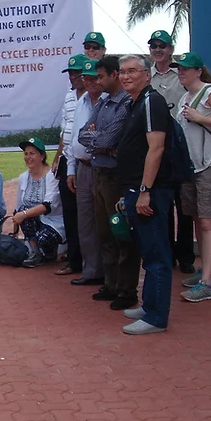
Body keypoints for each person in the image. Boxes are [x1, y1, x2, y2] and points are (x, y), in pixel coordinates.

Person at [115, 54, 173, 335]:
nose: (125, 76)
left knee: (156, 253)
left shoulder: (152, 102)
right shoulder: (135, 103)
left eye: (132, 71)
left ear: (147, 75)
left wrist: (144, 191)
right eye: (122, 72)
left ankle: (156, 317)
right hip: (134, 189)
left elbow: (156, 149)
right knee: (146, 251)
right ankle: (149, 304)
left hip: (152, 191)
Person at [173, 52, 211, 302]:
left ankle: (207, 282)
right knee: (198, 218)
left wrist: (200, 117)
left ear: (198, 71)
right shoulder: (184, 98)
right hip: (191, 166)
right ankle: (208, 271)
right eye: (179, 69)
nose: (181, 72)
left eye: (186, 69)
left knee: (208, 221)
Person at [78, 55, 138, 311]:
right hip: (99, 175)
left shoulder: (125, 103)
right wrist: (100, 141)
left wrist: (100, 141)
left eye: (101, 76)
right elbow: (83, 135)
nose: (98, 81)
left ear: (114, 75)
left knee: (121, 233)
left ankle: (127, 289)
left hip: (116, 178)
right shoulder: (102, 103)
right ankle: (111, 283)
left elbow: (107, 141)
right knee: (104, 233)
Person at [148, 30, 195, 274]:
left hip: (182, 150)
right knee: (162, 207)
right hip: (158, 150)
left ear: (171, 49)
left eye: (162, 46)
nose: (158, 50)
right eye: (153, 46)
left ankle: (186, 256)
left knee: (185, 207)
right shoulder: (148, 77)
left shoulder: (182, 76)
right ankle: (167, 253)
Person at [64, 59, 105, 285]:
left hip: (103, 167)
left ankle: (110, 274)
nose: (88, 82)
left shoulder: (110, 102)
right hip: (82, 167)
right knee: (86, 221)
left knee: (105, 223)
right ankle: (91, 270)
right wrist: (71, 169)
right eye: (85, 78)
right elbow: (72, 139)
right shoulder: (81, 102)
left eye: (92, 78)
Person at [51, 53, 88, 275]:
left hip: (87, 163)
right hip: (67, 159)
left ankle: (91, 262)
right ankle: (74, 261)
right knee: (70, 213)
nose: (74, 77)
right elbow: (64, 132)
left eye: (78, 73)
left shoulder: (97, 97)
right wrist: (57, 157)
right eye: (71, 73)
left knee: (88, 214)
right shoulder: (68, 97)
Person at [11, 138, 65, 268]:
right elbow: (18, 207)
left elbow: (48, 206)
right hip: (33, 222)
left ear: (42, 156)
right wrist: (14, 232)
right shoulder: (23, 177)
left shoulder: (52, 176)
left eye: (32, 153)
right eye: (26, 154)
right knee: (23, 210)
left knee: (43, 238)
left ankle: (55, 249)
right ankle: (36, 253)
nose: (28, 157)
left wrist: (23, 214)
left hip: (54, 221)